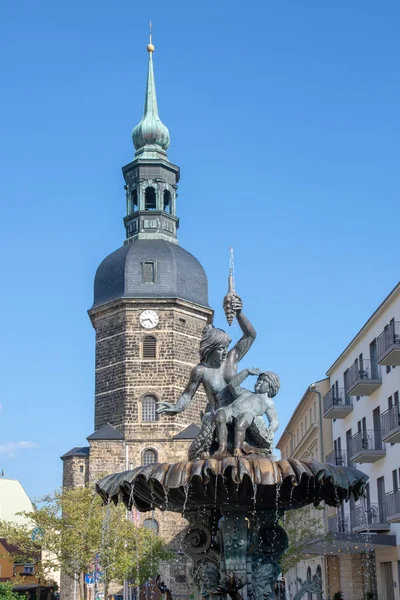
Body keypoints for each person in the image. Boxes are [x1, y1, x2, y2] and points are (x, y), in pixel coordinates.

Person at [156, 294, 256, 416]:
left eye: (226, 348)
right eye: (220, 349)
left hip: (236, 412)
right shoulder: (200, 371)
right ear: (210, 349)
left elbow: (250, 336)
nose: (225, 352)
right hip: (216, 415)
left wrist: (239, 314)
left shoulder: (231, 358)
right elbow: (188, 394)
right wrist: (177, 407)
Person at [214, 368, 280, 458]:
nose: (259, 382)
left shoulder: (268, 402)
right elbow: (233, 385)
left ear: (270, 388)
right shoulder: (245, 392)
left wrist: (271, 430)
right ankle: (222, 446)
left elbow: (274, 421)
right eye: (258, 380)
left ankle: (237, 449)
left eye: (263, 381)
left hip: (248, 414)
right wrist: (246, 372)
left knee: (241, 424)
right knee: (220, 416)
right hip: (231, 410)